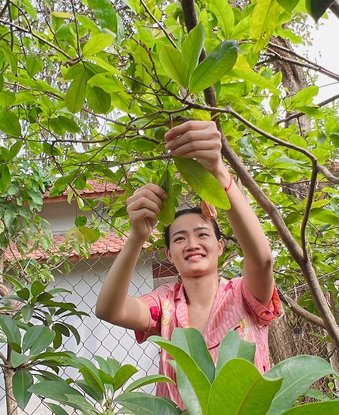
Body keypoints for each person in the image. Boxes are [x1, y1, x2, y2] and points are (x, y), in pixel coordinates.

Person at [95, 120, 282, 406]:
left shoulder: (244, 294)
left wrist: (218, 171)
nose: (192, 243)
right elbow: (109, 309)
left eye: (202, 234)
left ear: (220, 247)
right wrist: (136, 237)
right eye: (179, 239)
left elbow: (262, 259)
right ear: (169, 254)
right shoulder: (165, 305)